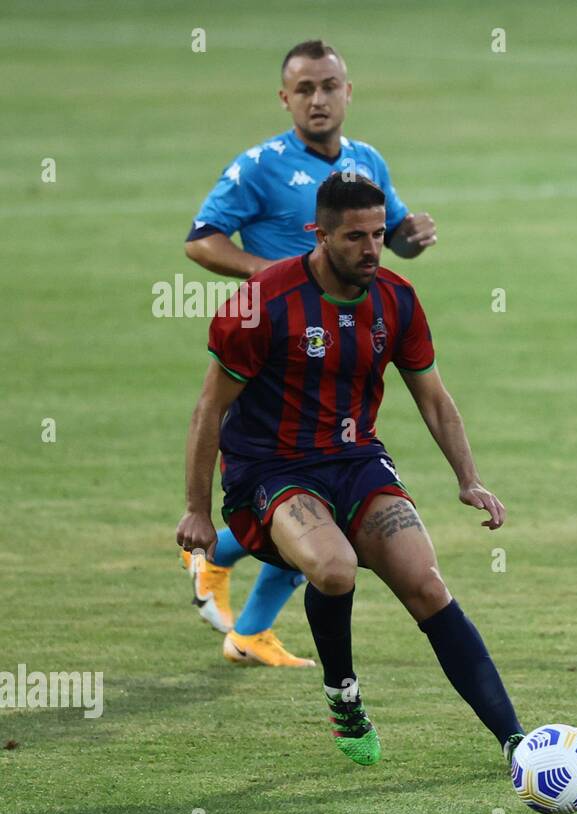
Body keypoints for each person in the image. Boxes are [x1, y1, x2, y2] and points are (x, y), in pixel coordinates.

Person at [176, 173, 524, 766]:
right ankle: (344, 695)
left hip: (356, 458)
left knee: (427, 585)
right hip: (271, 469)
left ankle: (515, 742)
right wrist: (197, 509)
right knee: (334, 570)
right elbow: (211, 408)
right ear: (318, 234)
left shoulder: (396, 298)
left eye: (379, 234)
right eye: (354, 237)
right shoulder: (263, 303)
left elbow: (433, 399)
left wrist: (469, 479)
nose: (370, 249)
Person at [180, 39, 437, 667]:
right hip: (275, 356)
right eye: (305, 89)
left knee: (323, 508)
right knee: (307, 507)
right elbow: (200, 241)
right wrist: (275, 273)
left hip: (346, 354)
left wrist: (412, 239)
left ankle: (239, 612)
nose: (318, 99)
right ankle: (231, 590)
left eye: (329, 86)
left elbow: (390, 235)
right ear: (285, 98)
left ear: (348, 91)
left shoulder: (366, 160)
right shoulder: (259, 166)